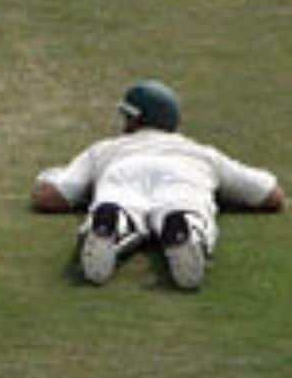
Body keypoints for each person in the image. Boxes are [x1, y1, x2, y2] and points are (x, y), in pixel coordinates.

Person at [32, 80, 282, 290]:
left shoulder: (104, 149)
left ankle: (110, 223)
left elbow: (50, 196)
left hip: (123, 175)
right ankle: (185, 231)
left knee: (119, 208)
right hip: (184, 178)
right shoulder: (203, 153)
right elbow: (271, 196)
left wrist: (48, 177)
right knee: (189, 213)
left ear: (136, 120)